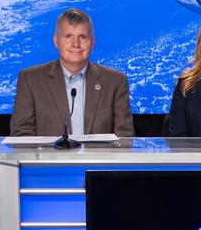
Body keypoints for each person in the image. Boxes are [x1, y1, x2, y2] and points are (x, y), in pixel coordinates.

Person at [11, 9, 133, 137]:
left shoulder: (115, 81)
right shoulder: (30, 80)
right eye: (68, 37)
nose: (76, 44)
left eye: (82, 37)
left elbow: (125, 138)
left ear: (92, 43)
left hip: (99, 158)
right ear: (56, 41)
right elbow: (21, 136)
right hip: (49, 157)